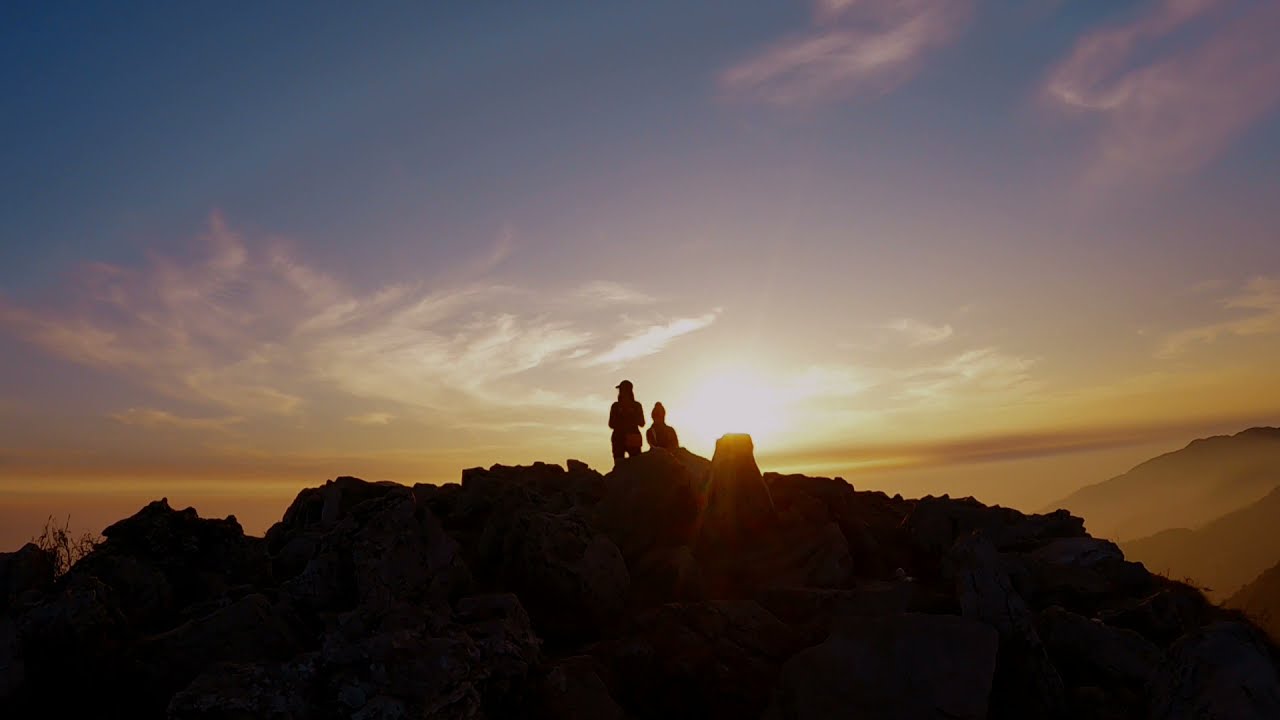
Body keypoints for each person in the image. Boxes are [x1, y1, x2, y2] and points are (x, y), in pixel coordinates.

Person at [608, 380, 645, 463]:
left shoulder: (636, 406)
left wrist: (630, 414)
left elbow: (642, 423)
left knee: (635, 464)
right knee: (619, 464)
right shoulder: (616, 406)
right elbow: (611, 424)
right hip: (619, 438)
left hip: (632, 438)